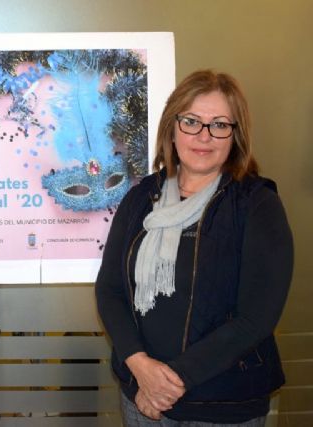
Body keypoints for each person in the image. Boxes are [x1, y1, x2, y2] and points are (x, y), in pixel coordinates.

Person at [95, 70, 293, 425]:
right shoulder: (140, 199)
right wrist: (140, 366)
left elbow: (256, 317)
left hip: (224, 404)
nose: (204, 136)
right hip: (142, 396)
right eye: (191, 122)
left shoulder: (256, 204)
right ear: (172, 128)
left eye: (219, 125)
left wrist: (169, 381)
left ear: (236, 134)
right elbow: (110, 290)